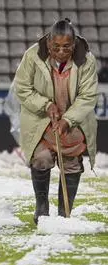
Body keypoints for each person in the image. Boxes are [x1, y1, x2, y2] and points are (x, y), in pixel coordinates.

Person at [13, 18, 98, 224]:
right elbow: (22, 88)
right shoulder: (33, 55)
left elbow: (87, 96)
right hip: (40, 120)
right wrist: (45, 105)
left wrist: (68, 120)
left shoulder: (87, 60)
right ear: (49, 42)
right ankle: (41, 208)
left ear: (74, 44)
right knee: (41, 159)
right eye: (56, 47)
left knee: (71, 164)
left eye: (66, 47)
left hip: (73, 122)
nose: (61, 52)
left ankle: (64, 213)